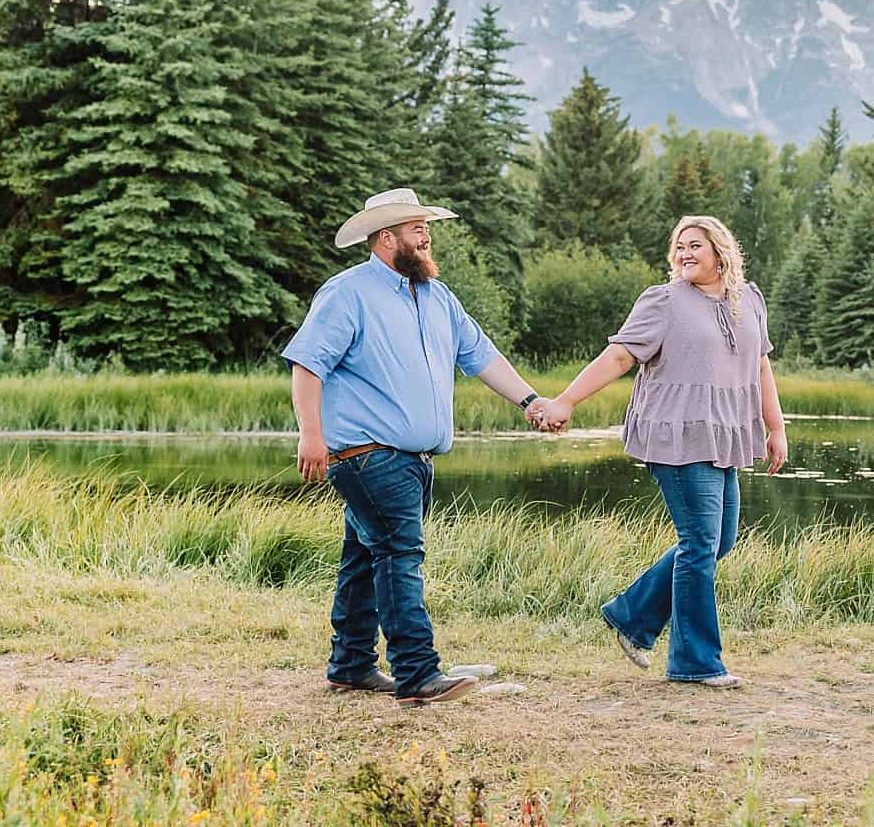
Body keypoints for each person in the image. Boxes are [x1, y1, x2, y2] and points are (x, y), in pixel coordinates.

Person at [285, 188, 556, 707]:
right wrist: (311, 434)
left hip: (412, 459)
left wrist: (529, 401)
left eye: (425, 227)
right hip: (367, 454)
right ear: (386, 238)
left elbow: (481, 357)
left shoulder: (436, 296)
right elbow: (307, 363)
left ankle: (351, 666)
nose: (427, 235)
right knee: (399, 555)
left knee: (365, 559)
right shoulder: (348, 293)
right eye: (416, 228)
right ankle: (416, 673)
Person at [536, 215, 787, 687]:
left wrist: (775, 427)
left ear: (720, 252)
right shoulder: (664, 301)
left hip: (726, 432)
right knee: (698, 544)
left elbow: (760, 367)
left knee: (719, 541)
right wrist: (566, 400)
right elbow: (619, 356)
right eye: (679, 247)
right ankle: (695, 662)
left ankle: (632, 615)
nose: (685, 254)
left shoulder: (749, 300)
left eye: (695, 245)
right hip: (676, 432)